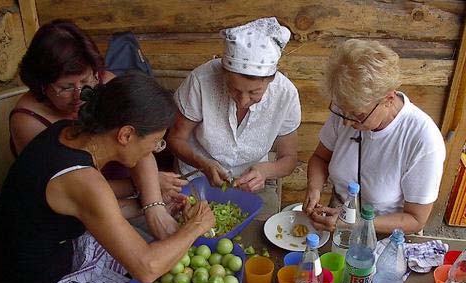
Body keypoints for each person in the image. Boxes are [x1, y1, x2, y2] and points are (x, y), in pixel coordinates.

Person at [0, 73, 215, 283]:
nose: (153, 151)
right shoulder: (82, 179)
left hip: (51, 250)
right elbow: (146, 266)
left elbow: (99, 209)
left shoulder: (66, 132)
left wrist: (149, 204)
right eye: (155, 143)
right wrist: (195, 227)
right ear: (126, 134)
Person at [10, 19, 187, 236]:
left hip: (124, 196)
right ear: (42, 85)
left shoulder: (104, 83)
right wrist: (142, 186)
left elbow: (140, 144)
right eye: (66, 87)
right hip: (77, 213)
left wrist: (154, 206)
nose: (79, 96)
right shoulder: (28, 121)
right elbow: (75, 189)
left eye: (86, 81)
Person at [302, 39, 445, 234]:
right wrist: (314, 188)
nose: (347, 123)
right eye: (343, 112)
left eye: (358, 115)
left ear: (388, 98)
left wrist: (354, 224)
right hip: (337, 222)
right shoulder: (347, 109)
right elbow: (320, 157)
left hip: (385, 236)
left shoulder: (423, 139)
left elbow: (415, 220)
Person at [167, 17, 300, 211]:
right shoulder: (201, 81)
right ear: (223, 72)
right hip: (196, 181)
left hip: (251, 188)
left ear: (271, 79)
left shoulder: (285, 94)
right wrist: (203, 164)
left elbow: (289, 158)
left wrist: (265, 171)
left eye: (254, 92)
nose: (243, 100)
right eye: (234, 89)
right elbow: (175, 139)